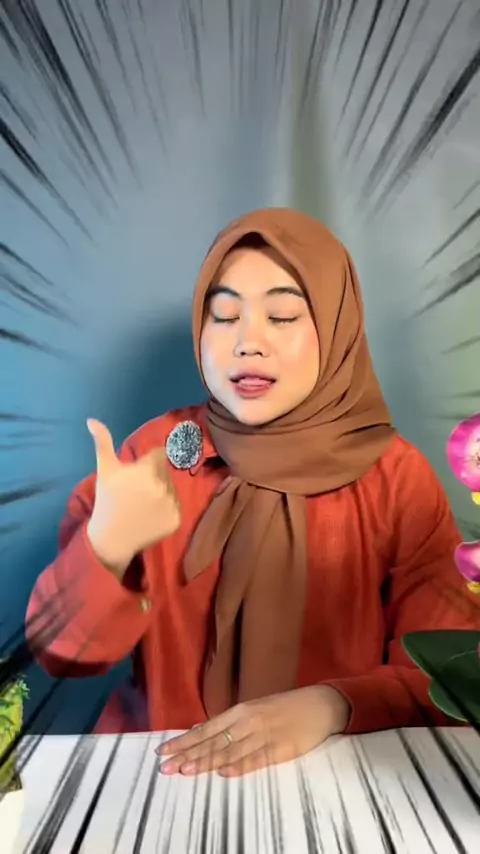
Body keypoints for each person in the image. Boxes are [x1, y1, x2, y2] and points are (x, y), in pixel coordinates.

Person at [26, 208, 480, 778]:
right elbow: (64, 655)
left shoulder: (394, 476)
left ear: (337, 327)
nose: (247, 342)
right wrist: (106, 549)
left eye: (283, 315)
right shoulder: (155, 456)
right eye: (223, 316)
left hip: (339, 773)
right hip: (163, 772)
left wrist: (333, 705)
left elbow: (451, 671)